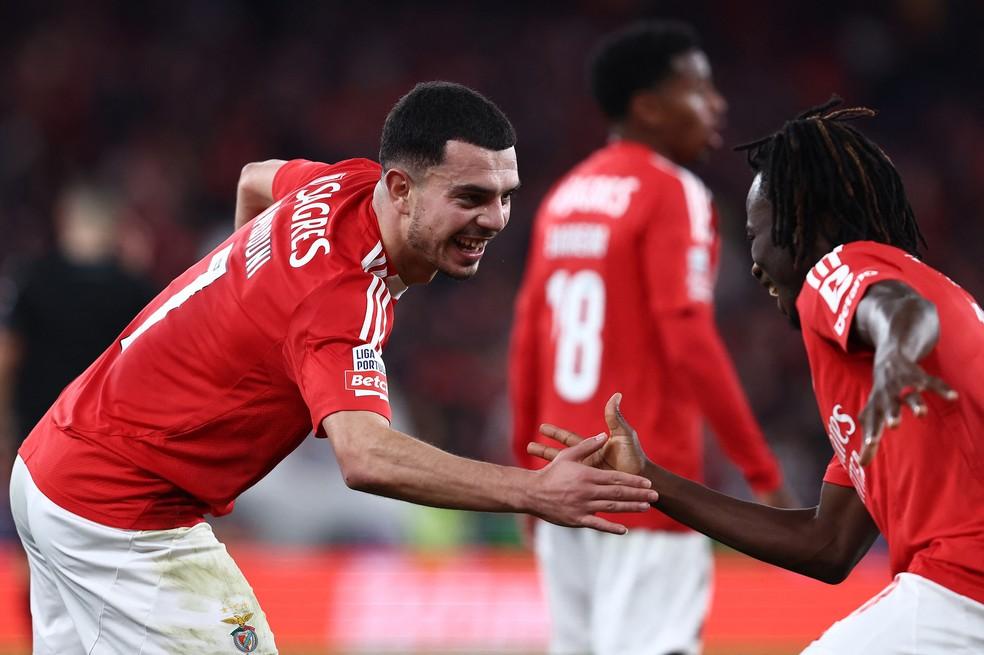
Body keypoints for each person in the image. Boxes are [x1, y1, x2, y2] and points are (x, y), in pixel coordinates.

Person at [7, 81, 660, 655]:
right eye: (470, 197)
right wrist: (535, 491)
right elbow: (366, 456)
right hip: (118, 512)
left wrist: (250, 307)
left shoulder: (343, 186)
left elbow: (254, 178)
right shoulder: (340, 299)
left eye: (504, 196)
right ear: (400, 190)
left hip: (51, 467)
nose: (494, 219)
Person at [529, 100, 984, 654]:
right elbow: (827, 544)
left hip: (962, 588)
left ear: (800, 223)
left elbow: (901, 311)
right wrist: (649, 479)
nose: (752, 263)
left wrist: (896, 353)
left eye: (755, 234)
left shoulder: (838, 271)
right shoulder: (883, 379)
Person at [509, 22, 792, 654]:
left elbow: (528, 339)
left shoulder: (564, 198)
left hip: (562, 477)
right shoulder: (673, 193)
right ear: (648, 106)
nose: (716, 105)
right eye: (699, 88)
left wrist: (527, 477)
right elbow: (687, 335)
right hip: (647, 482)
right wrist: (761, 473)